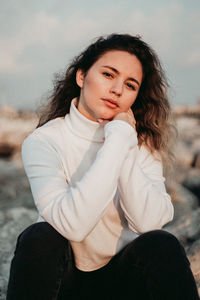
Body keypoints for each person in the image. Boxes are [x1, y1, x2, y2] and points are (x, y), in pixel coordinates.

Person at [6, 33, 199, 300]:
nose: (118, 90)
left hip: (124, 283)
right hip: (64, 283)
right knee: (38, 237)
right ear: (81, 77)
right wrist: (118, 139)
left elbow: (149, 223)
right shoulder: (44, 141)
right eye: (109, 75)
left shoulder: (141, 143)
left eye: (130, 85)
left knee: (162, 243)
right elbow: (72, 226)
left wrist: (123, 140)